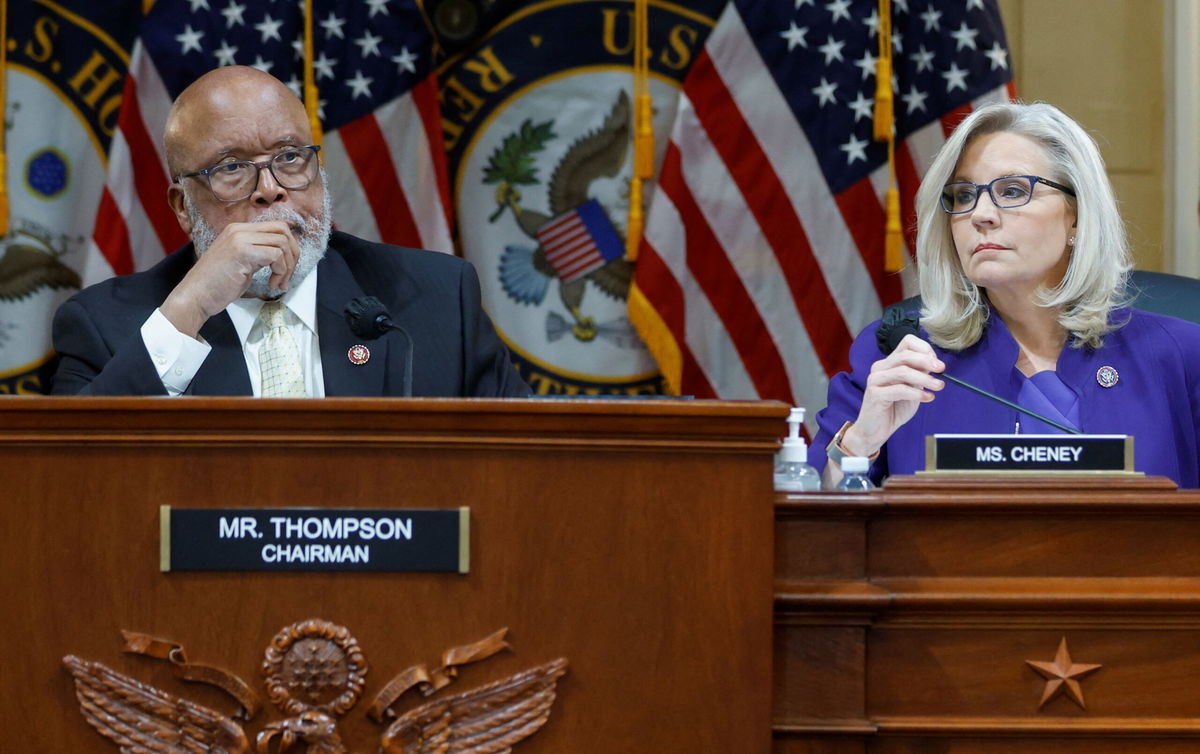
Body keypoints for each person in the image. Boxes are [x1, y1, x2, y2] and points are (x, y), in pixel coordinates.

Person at [51, 66, 528, 398]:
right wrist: (188, 309)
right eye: (233, 168)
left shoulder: (435, 300)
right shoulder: (104, 327)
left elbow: (520, 468)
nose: (271, 190)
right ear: (182, 206)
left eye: (289, 157)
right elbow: (73, 483)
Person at [811, 101, 1200, 489]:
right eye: (963, 196)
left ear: (1077, 217)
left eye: (1013, 191)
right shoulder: (901, 358)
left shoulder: (1181, 356)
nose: (980, 214)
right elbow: (808, 516)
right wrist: (861, 440)